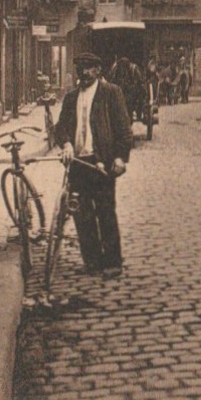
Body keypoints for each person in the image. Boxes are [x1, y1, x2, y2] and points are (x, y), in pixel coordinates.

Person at [55, 52, 133, 278]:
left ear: (98, 71)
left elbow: (123, 130)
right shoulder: (71, 98)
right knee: (82, 213)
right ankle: (92, 261)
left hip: (102, 162)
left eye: (89, 68)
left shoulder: (111, 93)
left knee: (105, 211)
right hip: (78, 163)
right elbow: (61, 128)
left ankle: (112, 261)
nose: (84, 72)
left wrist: (120, 157)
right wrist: (67, 144)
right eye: (80, 67)